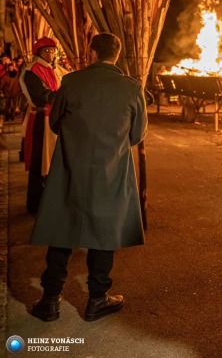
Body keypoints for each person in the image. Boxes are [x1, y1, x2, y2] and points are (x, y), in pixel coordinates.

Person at [29, 33, 147, 322]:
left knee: (62, 227)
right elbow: (136, 135)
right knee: (104, 232)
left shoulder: (71, 82)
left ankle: (50, 299)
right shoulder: (132, 88)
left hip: (71, 166)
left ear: (92, 53)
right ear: (116, 55)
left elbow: (55, 122)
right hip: (111, 169)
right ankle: (97, 299)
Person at [19, 37, 61, 214]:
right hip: (40, 119)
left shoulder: (54, 68)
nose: (50, 53)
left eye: (52, 50)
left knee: (50, 161)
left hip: (51, 118)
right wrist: (63, 96)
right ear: (39, 52)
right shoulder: (32, 71)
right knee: (39, 160)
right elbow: (42, 95)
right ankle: (35, 203)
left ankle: (47, 200)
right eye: (46, 51)